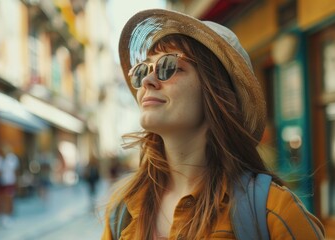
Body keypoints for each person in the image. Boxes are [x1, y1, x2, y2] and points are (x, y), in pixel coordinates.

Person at [101, 9, 325, 240]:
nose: (147, 81)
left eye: (167, 67)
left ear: (213, 89)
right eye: (142, 71)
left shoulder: (274, 212)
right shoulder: (122, 212)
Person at [0, 143, 19, 227]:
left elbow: (14, 170)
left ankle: (8, 215)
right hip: (0, 183)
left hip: (9, 182)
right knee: (0, 199)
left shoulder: (11, 158)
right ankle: (1, 216)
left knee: (8, 199)